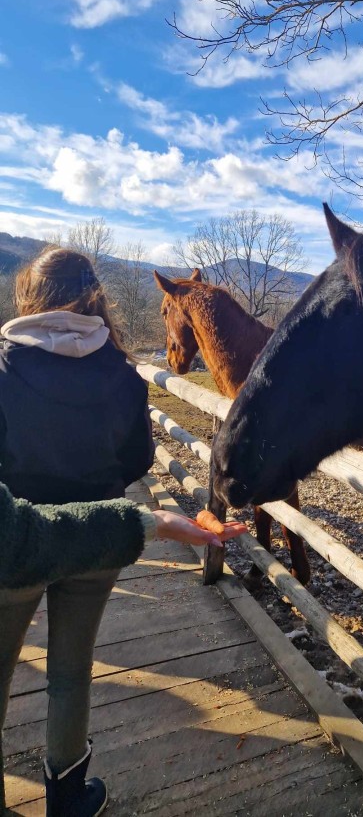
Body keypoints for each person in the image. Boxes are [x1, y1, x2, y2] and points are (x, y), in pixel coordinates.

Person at [0, 245, 197, 816]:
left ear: (29, 297)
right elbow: (137, 460)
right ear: (93, 298)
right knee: (70, 667)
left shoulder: (4, 365)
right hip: (99, 538)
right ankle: (66, 794)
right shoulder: (122, 374)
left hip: (15, 541)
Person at [0, 481, 247, 815]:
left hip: (26, 506)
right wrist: (148, 522)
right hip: (96, 528)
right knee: (72, 670)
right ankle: (69, 798)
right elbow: (137, 451)